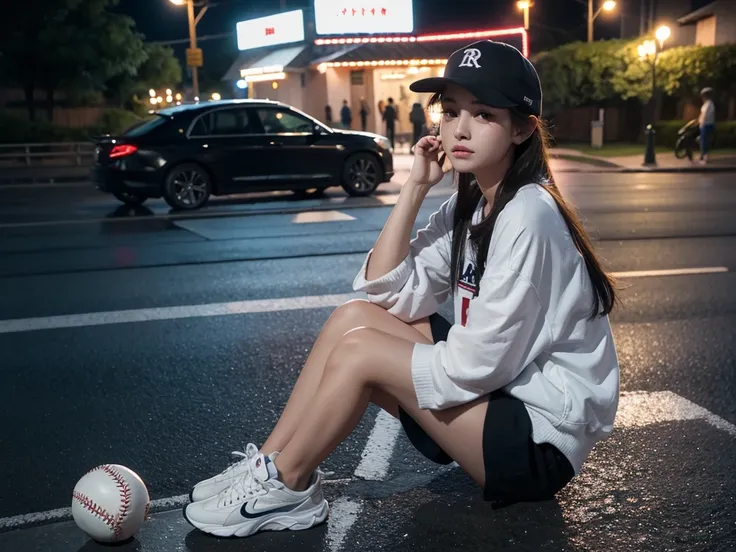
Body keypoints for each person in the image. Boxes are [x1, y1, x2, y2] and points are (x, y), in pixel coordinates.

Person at [183, 40, 620, 538]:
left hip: (538, 442)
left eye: (482, 114)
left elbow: (480, 364)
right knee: (352, 318)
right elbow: (385, 289)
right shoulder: (475, 203)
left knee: (363, 351)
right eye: (450, 111)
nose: (458, 128)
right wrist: (415, 188)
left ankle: (290, 484)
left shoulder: (530, 215)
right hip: (503, 396)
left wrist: (385, 362)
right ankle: (267, 463)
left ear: (522, 127)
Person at [698, 87, 715, 164]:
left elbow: (705, 115)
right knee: (703, 141)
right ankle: (703, 156)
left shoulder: (709, 104)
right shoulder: (706, 104)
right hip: (704, 125)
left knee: (704, 142)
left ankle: (705, 158)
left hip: (707, 125)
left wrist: (701, 122)